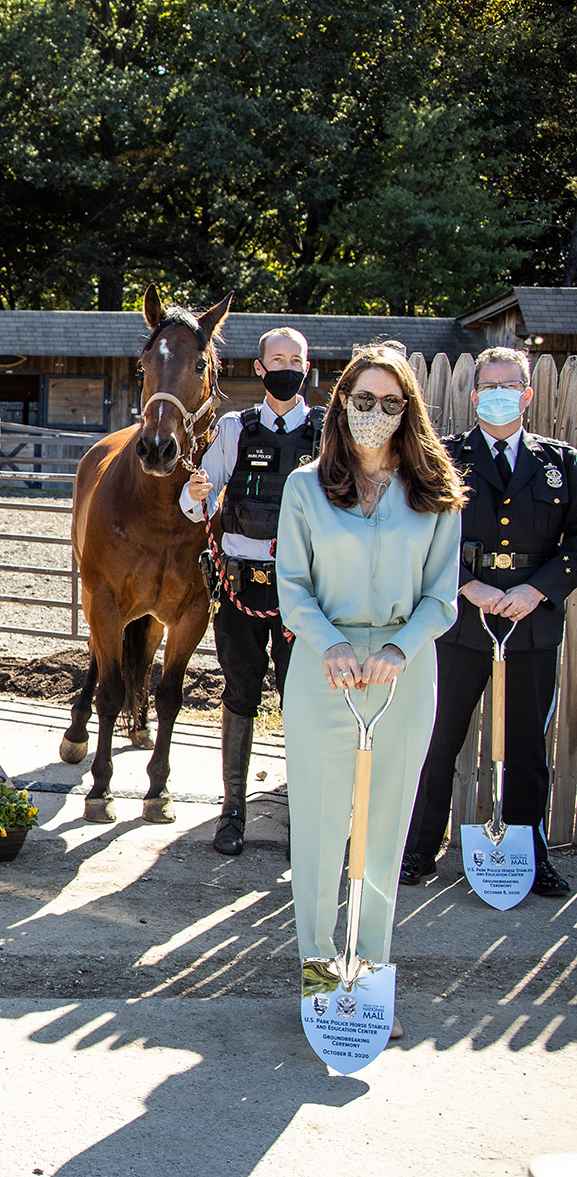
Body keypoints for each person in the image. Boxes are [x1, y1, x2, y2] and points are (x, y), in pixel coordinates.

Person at [275, 342, 466, 1039]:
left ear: (408, 409)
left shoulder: (436, 493)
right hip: (323, 668)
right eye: (363, 400)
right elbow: (292, 586)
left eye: (391, 403)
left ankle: (370, 980)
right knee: (323, 834)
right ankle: (322, 977)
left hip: (401, 672)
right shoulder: (305, 487)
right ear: (342, 403)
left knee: (383, 833)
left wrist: (399, 647)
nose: (375, 414)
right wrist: (327, 641)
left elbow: (441, 596)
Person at [401, 346, 576, 897]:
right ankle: (417, 851)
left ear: (527, 394)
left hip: (531, 620)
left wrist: (537, 590)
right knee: (439, 738)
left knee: (527, 748)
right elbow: (419, 536)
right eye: (488, 384)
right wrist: (467, 586)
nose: (499, 392)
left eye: (510, 383)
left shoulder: (562, 464)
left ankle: (530, 856)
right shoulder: (444, 459)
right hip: (460, 619)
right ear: (474, 395)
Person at [183, 327, 325, 855]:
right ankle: (233, 811)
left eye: (296, 358)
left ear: (306, 367)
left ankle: (303, 814)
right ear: (260, 368)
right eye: (277, 359)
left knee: (301, 700)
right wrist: (196, 493)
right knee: (240, 693)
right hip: (241, 586)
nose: (287, 366)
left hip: (302, 594)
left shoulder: (326, 433)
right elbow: (197, 500)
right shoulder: (233, 429)